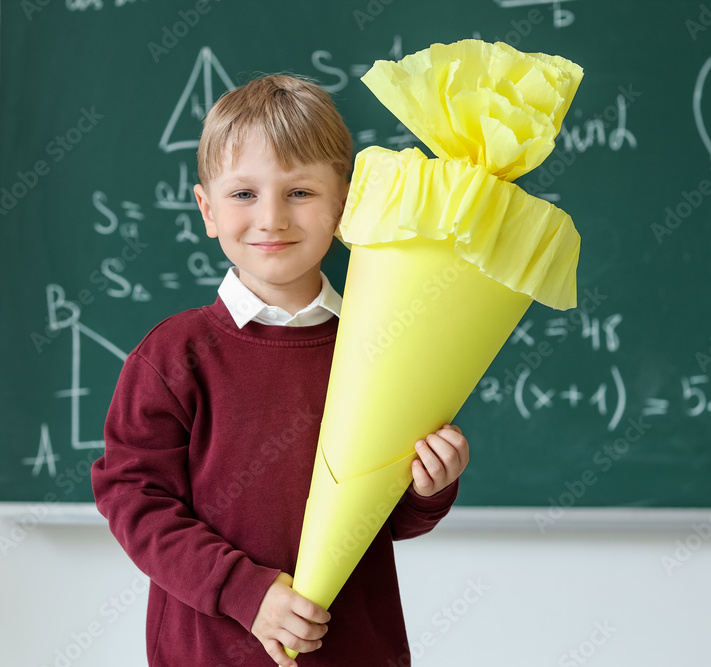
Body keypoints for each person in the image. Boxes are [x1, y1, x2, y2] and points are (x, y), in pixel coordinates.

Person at [91, 73, 470, 667]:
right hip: (209, 653)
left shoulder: (383, 351)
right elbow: (133, 498)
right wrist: (245, 593)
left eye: (300, 193)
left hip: (357, 651)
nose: (271, 218)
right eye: (244, 194)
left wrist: (430, 486)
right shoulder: (174, 355)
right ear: (206, 209)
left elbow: (387, 521)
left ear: (344, 206)